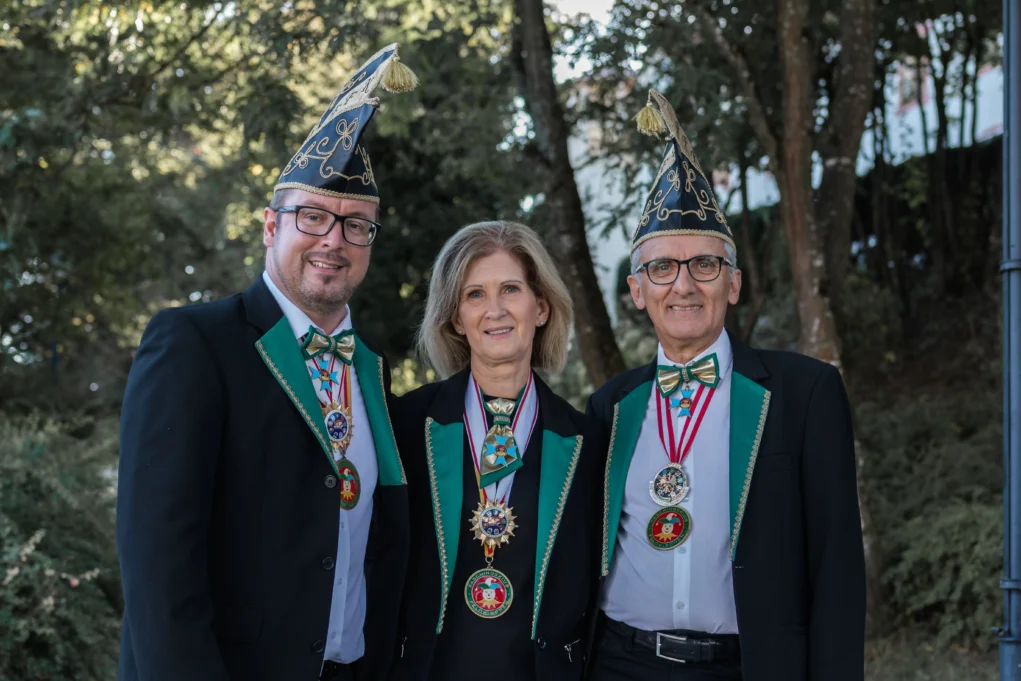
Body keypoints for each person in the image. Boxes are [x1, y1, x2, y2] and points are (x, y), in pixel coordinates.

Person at [115, 45, 418, 681]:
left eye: (356, 225)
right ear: (268, 226)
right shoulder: (194, 343)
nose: (333, 240)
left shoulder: (370, 370)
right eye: (313, 216)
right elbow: (158, 566)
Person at [584, 90, 866, 681]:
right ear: (638, 291)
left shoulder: (804, 393)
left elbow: (837, 567)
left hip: (747, 668)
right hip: (619, 665)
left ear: (732, 284)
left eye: (703, 265)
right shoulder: (610, 406)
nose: (683, 285)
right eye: (662, 267)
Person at [388, 221, 604, 681]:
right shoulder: (406, 426)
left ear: (541, 307)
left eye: (510, 289)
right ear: (454, 319)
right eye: (474, 295)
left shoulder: (587, 442)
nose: (495, 310)